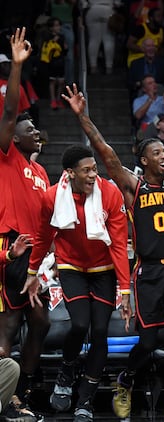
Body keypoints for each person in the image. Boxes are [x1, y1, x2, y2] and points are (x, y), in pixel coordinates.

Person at [61, 84, 164, 422]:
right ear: (144, 160)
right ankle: (125, 380)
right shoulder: (133, 186)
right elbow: (104, 151)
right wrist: (82, 116)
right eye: (158, 153)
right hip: (148, 274)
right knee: (146, 342)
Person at [22, 145, 131, 422]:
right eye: (87, 170)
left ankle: (85, 399)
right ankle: (67, 369)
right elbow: (44, 235)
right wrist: (32, 271)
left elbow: (119, 244)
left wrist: (126, 288)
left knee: (101, 331)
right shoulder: (51, 197)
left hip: (104, 269)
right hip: (71, 267)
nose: (94, 174)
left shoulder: (110, 193)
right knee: (81, 324)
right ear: (70, 173)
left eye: (95, 168)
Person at [0, 28, 51, 412]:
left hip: (36, 256)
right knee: (10, 326)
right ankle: (8, 395)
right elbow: (9, 111)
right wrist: (17, 67)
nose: (35, 130)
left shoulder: (43, 173)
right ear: (12, 139)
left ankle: (25, 386)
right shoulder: (7, 156)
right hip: (9, 247)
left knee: (41, 322)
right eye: (27, 127)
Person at [40, 17, 67, 110]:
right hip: (51, 63)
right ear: (51, 27)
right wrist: (53, 41)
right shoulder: (47, 37)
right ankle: (53, 100)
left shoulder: (62, 37)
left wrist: (65, 47)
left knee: (61, 82)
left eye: (59, 25)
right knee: (52, 81)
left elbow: (65, 51)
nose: (58, 27)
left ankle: (59, 99)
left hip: (61, 62)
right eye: (55, 25)